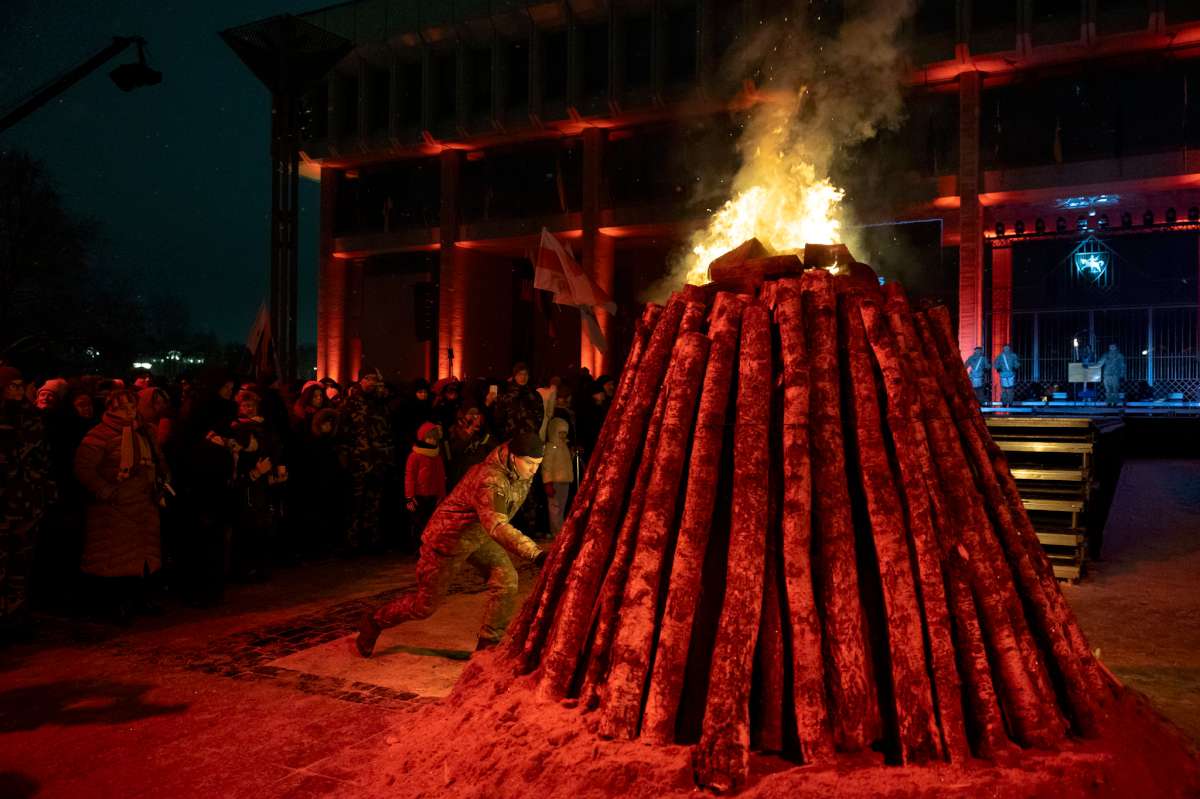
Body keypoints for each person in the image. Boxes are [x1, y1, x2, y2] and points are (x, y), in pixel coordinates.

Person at [355, 431, 548, 657]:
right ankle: (374, 621)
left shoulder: (519, 470)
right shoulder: (490, 479)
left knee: (506, 580)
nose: (534, 470)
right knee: (424, 606)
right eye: (530, 463)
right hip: (446, 540)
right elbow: (497, 525)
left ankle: (487, 647)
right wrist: (535, 553)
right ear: (513, 456)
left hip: (476, 537)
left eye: (538, 464)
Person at [74, 388, 167, 621]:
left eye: (132, 406)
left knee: (142, 553)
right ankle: (115, 604)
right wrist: (107, 491)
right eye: (123, 407)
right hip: (114, 508)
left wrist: (162, 481)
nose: (129, 411)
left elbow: (158, 461)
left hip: (144, 503)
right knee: (114, 557)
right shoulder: (99, 435)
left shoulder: (144, 432)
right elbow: (84, 469)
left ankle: (139, 598)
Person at [1, 366, 55, 635]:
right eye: (11, 386)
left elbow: (42, 457)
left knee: (20, 565)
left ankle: (15, 617)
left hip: (27, 502)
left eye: (20, 386)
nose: (17, 391)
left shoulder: (30, 416)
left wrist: (41, 485)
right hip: (4, 502)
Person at [338, 368, 395, 552]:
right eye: (369, 378)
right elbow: (343, 431)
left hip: (378, 460)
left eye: (375, 379)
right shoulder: (351, 402)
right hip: (358, 460)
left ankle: (371, 540)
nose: (372, 382)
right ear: (361, 380)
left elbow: (387, 429)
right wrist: (345, 456)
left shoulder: (381, 403)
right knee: (354, 503)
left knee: (374, 502)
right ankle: (351, 542)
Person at [405, 422, 447, 547]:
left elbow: (440, 477)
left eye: (434, 438)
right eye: (429, 437)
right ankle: (418, 548)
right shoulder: (415, 456)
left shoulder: (437, 456)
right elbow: (410, 476)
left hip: (433, 496)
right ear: (423, 438)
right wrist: (409, 496)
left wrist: (441, 494)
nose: (432, 440)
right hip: (419, 496)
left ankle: (428, 548)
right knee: (418, 524)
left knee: (431, 524)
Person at [540, 415, 573, 537]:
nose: (563, 435)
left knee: (561, 507)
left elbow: (566, 463)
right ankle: (555, 531)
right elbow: (546, 466)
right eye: (561, 432)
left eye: (565, 433)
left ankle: (560, 529)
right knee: (554, 507)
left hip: (565, 481)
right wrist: (547, 483)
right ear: (554, 431)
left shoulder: (564, 447)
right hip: (554, 482)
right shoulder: (551, 447)